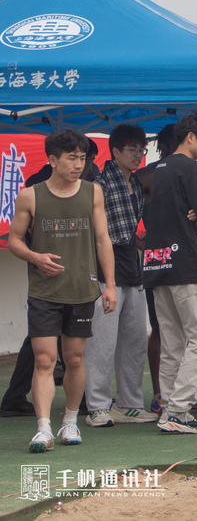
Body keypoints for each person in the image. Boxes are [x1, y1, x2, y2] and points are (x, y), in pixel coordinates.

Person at [7, 130, 117, 453]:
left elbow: (102, 239)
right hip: (43, 291)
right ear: (52, 160)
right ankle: (43, 429)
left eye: (82, 158)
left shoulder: (94, 192)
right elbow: (14, 240)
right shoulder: (30, 196)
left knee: (74, 358)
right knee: (44, 359)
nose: (78, 164)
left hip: (83, 289)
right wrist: (34, 256)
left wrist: (109, 285)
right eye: (71, 158)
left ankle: (70, 421)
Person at [143, 113, 197, 434]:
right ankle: (178, 411)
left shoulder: (156, 170)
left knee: (172, 342)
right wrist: (196, 215)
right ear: (190, 136)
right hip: (187, 264)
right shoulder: (192, 168)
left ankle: (168, 410)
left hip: (156, 263)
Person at [85, 124, 159, 428]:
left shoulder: (136, 184)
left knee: (135, 339)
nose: (139, 155)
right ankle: (98, 406)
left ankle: (129, 403)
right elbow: (101, 236)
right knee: (102, 341)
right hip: (105, 269)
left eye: (142, 150)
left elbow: (131, 232)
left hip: (132, 266)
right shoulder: (99, 185)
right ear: (114, 151)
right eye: (132, 150)